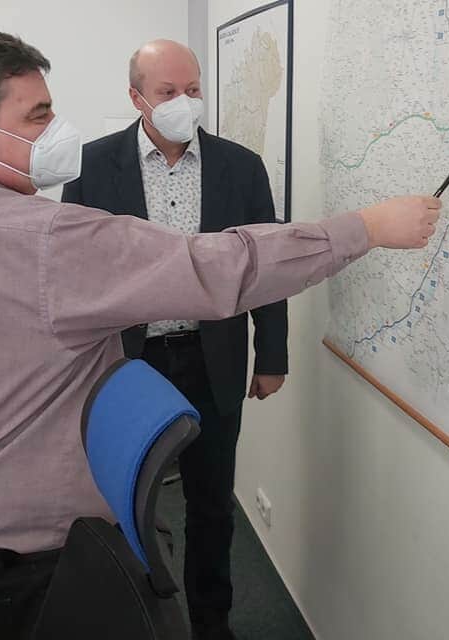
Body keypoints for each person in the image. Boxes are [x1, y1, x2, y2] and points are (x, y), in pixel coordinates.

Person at [0, 24, 441, 640]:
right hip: (8, 576)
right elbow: (217, 267)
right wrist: (365, 227)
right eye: (38, 114)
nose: (56, 128)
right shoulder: (43, 239)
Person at [61, 39, 285, 639]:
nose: (184, 102)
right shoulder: (90, 167)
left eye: (193, 89)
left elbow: (266, 267)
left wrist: (272, 355)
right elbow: (75, 273)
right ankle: (135, 621)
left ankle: (212, 624)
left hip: (212, 358)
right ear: (137, 97)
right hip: (127, 364)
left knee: (212, 506)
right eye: (167, 92)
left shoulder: (241, 167)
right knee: (122, 505)